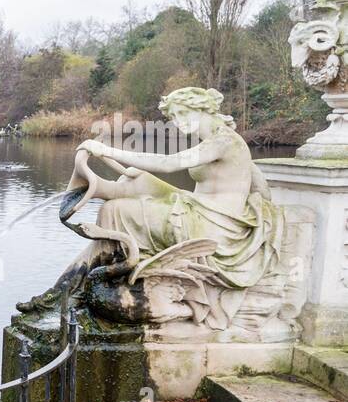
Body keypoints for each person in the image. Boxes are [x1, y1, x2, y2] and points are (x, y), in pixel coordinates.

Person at [19, 88, 284, 329]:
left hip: (213, 227)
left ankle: (70, 292)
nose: (178, 121)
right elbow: (260, 185)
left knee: (116, 212)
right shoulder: (221, 141)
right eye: (174, 116)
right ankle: (58, 296)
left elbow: (170, 163)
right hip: (198, 211)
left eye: (182, 114)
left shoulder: (225, 141)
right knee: (139, 182)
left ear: (202, 109)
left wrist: (107, 151)